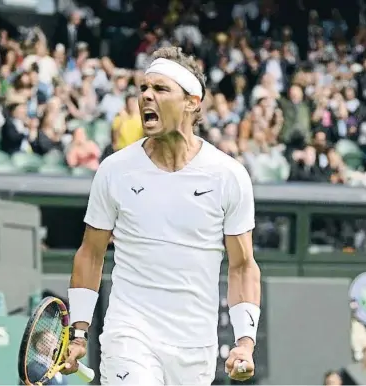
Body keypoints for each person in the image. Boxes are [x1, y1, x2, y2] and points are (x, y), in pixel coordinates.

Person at [62, 46, 261, 385]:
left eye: (160, 89)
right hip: (130, 334)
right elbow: (91, 253)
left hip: (195, 348)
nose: (146, 97)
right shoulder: (114, 171)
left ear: (192, 102)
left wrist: (245, 342)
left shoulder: (229, 176)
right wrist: (78, 332)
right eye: (143, 88)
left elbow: (242, 265)